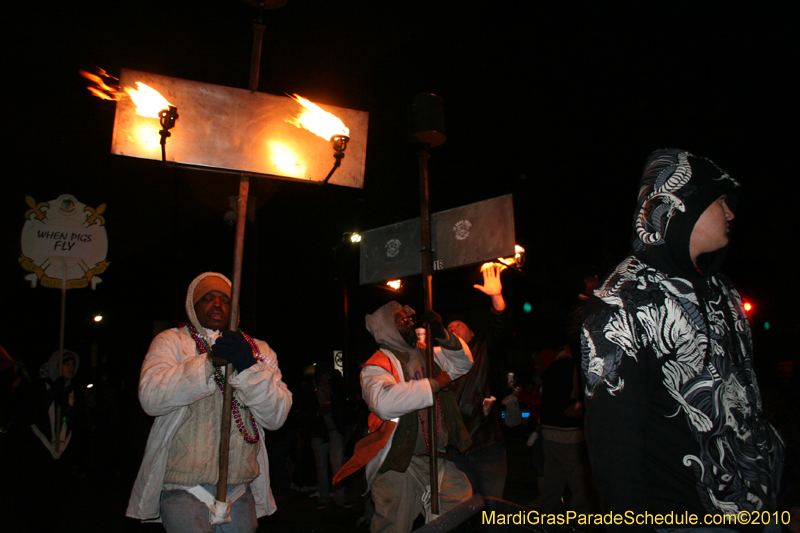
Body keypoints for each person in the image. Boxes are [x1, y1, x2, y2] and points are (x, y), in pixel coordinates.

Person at [581, 149, 785, 528]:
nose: (730, 213)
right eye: (719, 201)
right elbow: (615, 450)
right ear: (680, 206)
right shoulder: (621, 302)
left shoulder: (724, 290)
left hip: (759, 509)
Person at [126, 272, 292, 532]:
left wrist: (249, 368)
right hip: (184, 488)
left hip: (240, 489)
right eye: (207, 298)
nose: (217, 304)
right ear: (193, 307)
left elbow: (276, 416)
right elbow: (151, 398)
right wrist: (207, 363)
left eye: (225, 300)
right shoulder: (171, 342)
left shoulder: (259, 350)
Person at [334, 301, 474, 533]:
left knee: (457, 506)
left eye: (409, 318)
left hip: (436, 458)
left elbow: (463, 363)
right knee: (393, 526)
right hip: (398, 463)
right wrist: (433, 385)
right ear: (387, 328)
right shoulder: (377, 365)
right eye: (402, 320)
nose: (410, 322)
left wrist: (442, 335)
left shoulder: (428, 355)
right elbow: (383, 403)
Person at [446, 263, 512, 499]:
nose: (453, 328)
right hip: (455, 447)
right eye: (449, 327)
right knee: (462, 506)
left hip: (486, 444)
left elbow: (501, 329)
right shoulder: (440, 359)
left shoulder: (484, 348)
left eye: (459, 325)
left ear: (472, 333)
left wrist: (497, 298)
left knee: (491, 504)